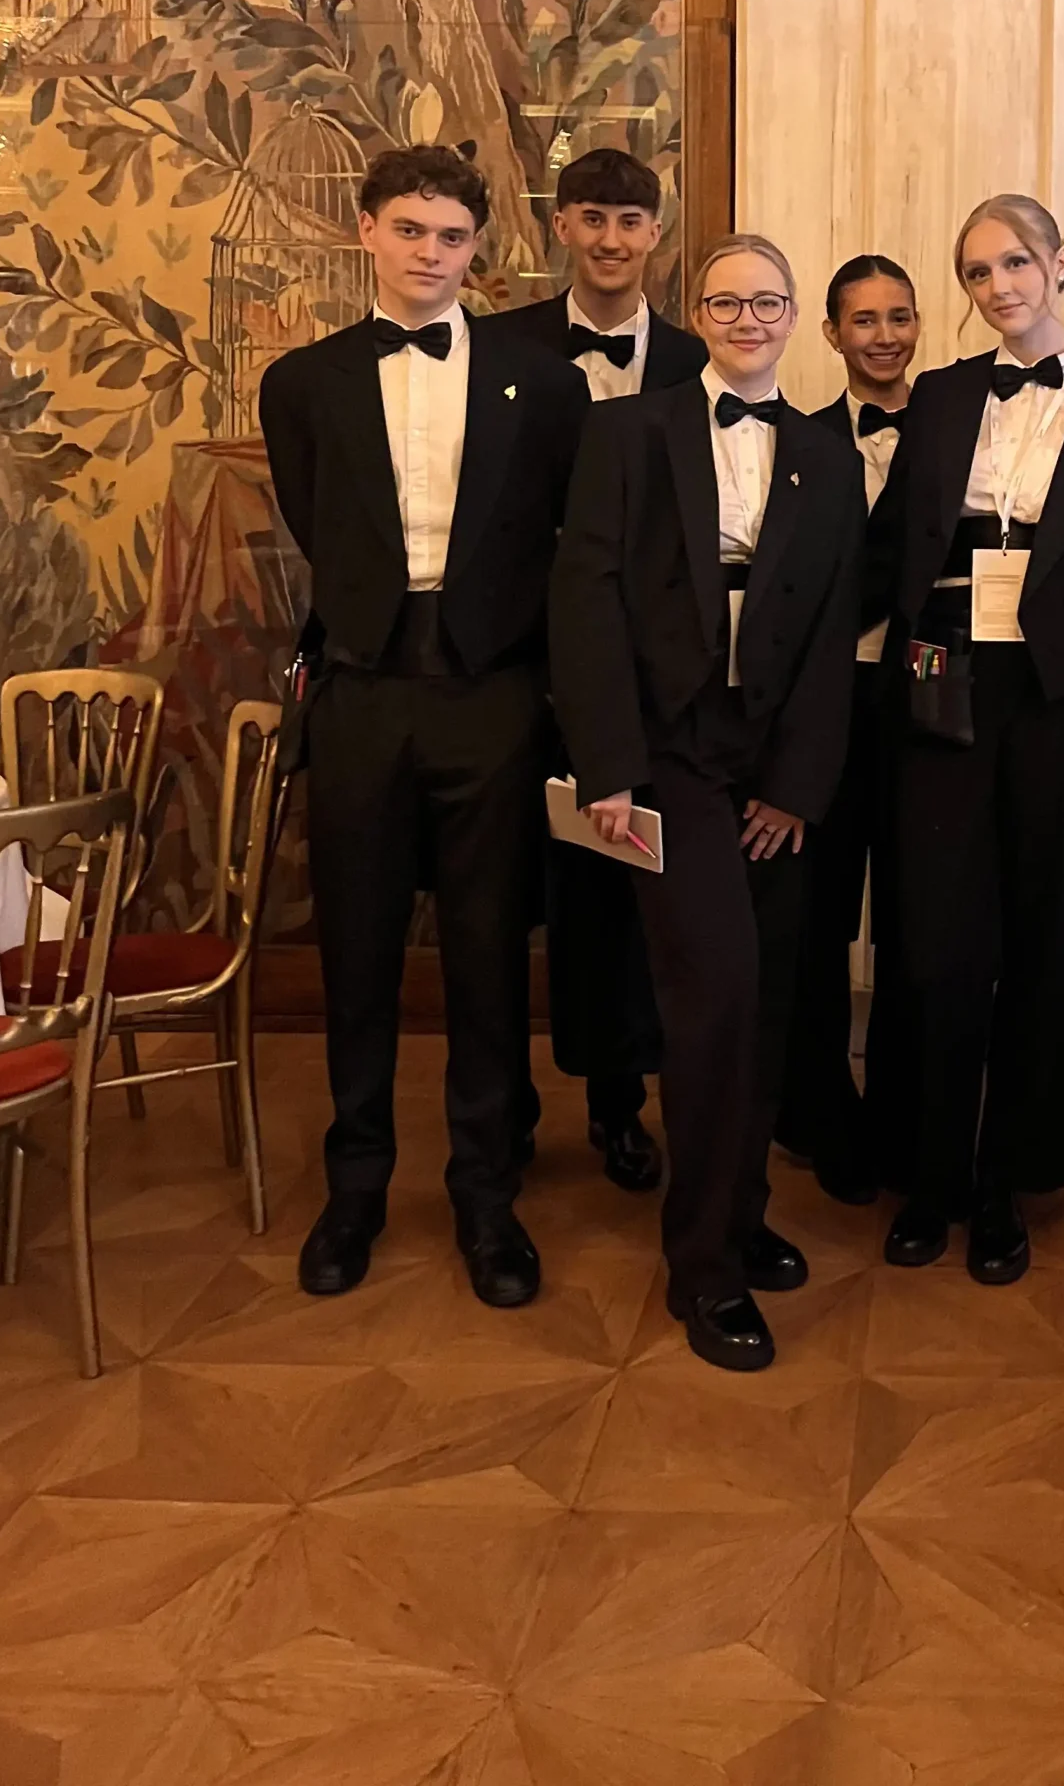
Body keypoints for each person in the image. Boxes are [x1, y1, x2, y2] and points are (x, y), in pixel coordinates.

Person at [259, 144, 589, 1308]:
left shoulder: (544, 383)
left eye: (452, 236)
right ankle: (355, 1190)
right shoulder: (301, 384)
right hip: (361, 689)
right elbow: (318, 522)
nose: (430, 254)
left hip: (493, 693)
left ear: (478, 247)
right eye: (410, 229)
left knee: (489, 955)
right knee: (356, 952)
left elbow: (558, 536)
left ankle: (487, 1199)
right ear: (367, 231)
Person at [549, 234, 864, 1371]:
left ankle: (742, 1210)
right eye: (726, 303)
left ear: (793, 316)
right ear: (700, 314)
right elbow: (584, 600)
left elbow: (832, 630)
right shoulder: (628, 432)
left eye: (767, 302)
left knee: (768, 999)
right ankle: (704, 1267)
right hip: (668, 753)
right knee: (716, 999)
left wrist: (797, 786)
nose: (747, 319)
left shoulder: (828, 456)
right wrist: (609, 768)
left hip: (769, 760)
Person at [867, 194, 1064, 1284]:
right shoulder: (943, 398)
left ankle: (1006, 1185)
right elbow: (889, 550)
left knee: (1049, 951)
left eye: (1015, 263)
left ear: (1062, 263)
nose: (998, 287)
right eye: (977, 272)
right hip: (943, 693)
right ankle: (930, 1177)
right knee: (934, 948)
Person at [507, 146, 705, 1193]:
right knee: (516, 896)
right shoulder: (502, 348)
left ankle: (618, 1107)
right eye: (593, 218)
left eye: (631, 221)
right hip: (518, 665)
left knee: (625, 891)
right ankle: (506, 1109)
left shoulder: (697, 359)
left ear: (655, 235)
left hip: (649, 675)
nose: (612, 240)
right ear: (562, 226)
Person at [775, 254, 922, 1204]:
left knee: (913, 920)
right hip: (825, 709)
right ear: (830, 333)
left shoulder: (957, 433)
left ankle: (904, 1115)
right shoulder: (799, 441)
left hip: (923, 707)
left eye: (899, 317)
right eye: (863, 320)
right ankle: (817, 1112)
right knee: (816, 921)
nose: (884, 336)